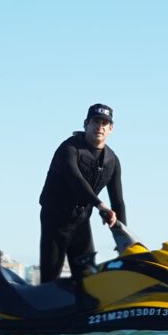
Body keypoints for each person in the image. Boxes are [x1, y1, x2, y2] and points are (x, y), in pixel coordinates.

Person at [38, 103, 127, 284]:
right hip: (55, 221)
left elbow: (118, 202)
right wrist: (100, 206)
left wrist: (122, 239)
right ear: (86, 124)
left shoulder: (112, 161)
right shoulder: (69, 149)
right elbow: (76, 181)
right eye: (95, 121)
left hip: (81, 223)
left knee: (88, 280)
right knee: (50, 280)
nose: (99, 127)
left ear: (111, 128)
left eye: (104, 123)